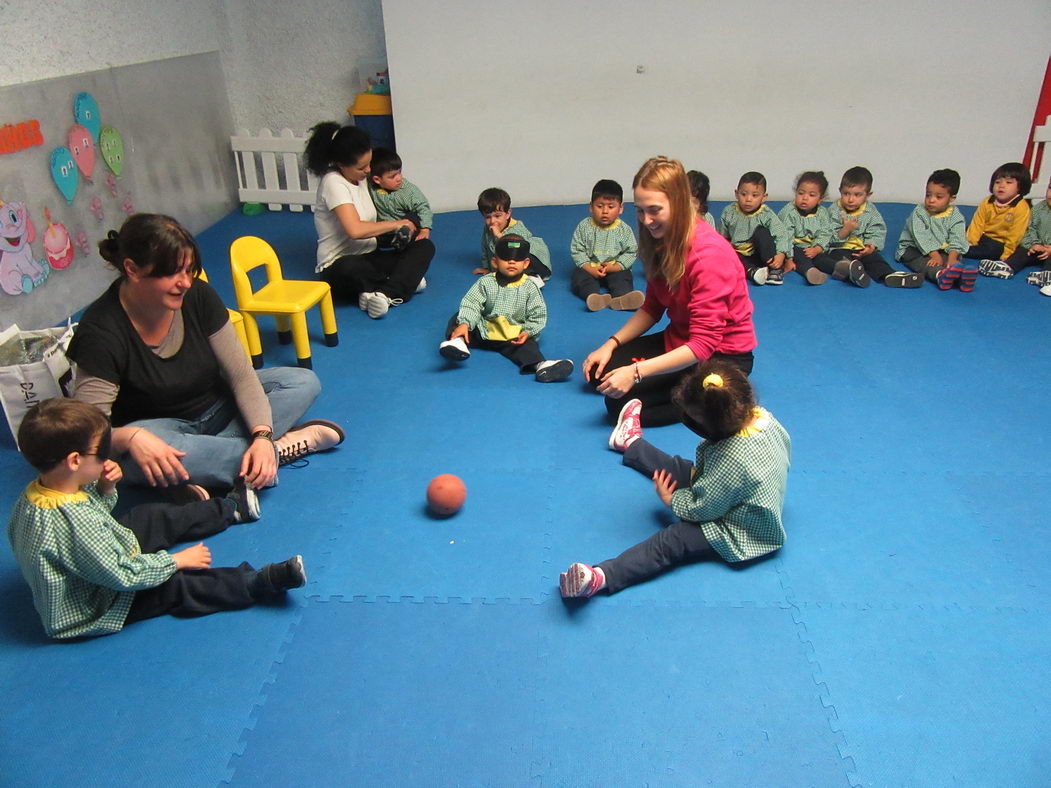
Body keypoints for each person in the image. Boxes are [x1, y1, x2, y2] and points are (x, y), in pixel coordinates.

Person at [67, 214, 344, 500]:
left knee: (301, 380)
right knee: (132, 461)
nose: (185, 282)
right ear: (132, 269)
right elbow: (89, 434)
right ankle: (276, 452)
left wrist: (261, 435)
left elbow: (240, 374)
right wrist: (130, 438)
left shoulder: (198, 296)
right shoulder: (100, 332)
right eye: (173, 272)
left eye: (189, 270)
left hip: (218, 405)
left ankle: (223, 467)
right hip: (160, 431)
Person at [7, 398, 306, 639]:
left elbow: (91, 520)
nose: (107, 456)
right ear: (74, 461)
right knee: (176, 587)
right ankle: (256, 582)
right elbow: (122, 575)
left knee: (148, 516)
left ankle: (229, 508)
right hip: (94, 603)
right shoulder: (73, 523)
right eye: (101, 450)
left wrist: (106, 488)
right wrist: (176, 561)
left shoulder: (40, 493)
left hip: (95, 561)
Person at [560, 361, 790, 598]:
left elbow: (704, 509)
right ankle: (630, 443)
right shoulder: (763, 418)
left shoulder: (733, 460)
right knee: (681, 469)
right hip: (742, 491)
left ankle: (601, 577)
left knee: (672, 540)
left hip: (742, 527)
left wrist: (672, 500)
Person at [582, 156, 757, 427]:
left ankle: (722, 395)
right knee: (599, 373)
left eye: (654, 210)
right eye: (640, 210)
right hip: (680, 337)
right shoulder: (660, 240)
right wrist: (611, 344)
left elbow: (703, 344)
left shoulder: (709, 256)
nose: (647, 220)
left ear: (678, 203)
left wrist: (636, 372)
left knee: (617, 405)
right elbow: (652, 307)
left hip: (721, 354)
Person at [304, 122, 435, 319]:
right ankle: (403, 284)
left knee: (425, 246)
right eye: (361, 167)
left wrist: (412, 222)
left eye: (369, 163)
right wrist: (396, 224)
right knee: (351, 269)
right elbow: (355, 230)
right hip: (339, 265)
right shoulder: (333, 182)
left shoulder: (362, 177)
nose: (368, 170)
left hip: (370, 255)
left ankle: (382, 295)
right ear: (341, 164)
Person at [439, 235, 573, 382]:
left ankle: (541, 366)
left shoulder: (530, 288)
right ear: (495, 262)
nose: (511, 261)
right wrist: (465, 323)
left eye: (517, 259)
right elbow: (472, 303)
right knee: (458, 317)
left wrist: (528, 331)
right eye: (505, 258)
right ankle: (458, 342)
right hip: (484, 330)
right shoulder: (485, 282)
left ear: (526, 263)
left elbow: (538, 315)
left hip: (512, 336)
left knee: (528, 347)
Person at [827, 166, 919, 288]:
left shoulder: (870, 211)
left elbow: (877, 230)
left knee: (875, 260)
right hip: (839, 248)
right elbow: (828, 237)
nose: (850, 199)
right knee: (838, 260)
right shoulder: (834, 210)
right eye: (846, 194)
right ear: (840, 191)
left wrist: (871, 246)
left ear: (868, 195)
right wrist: (845, 230)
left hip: (861, 248)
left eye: (857, 195)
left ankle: (889, 276)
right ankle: (852, 273)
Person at [569, 179, 644, 311]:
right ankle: (594, 297)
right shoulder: (584, 227)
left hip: (614, 267)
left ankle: (621, 299)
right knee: (579, 277)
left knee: (623, 277)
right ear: (591, 206)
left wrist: (615, 267)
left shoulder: (624, 230)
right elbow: (577, 250)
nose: (605, 211)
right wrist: (589, 268)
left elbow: (631, 252)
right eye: (599, 206)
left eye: (611, 207)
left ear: (620, 208)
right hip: (591, 267)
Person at [895, 169, 970, 289]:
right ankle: (939, 275)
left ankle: (961, 277)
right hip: (916, 248)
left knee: (952, 260)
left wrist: (952, 257)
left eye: (939, 197)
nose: (931, 200)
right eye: (928, 195)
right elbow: (921, 236)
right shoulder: (919, 212)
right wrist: (934, 255)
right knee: (925, 262)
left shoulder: (956, 215)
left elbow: (958, 237)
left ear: (952, 198)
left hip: (942, 249)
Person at [718, 171, 793, 285]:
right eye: (743, 194)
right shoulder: (729, 212)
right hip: (740, 254)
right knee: (728, 254)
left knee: (762, 232)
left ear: (764, 197)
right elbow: (723, 237)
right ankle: (752, 272)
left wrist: (781, 254)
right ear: (736, 193)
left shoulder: (766, 214)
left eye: (754, 195)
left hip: (758, 253)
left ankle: (774, 269)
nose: (748, 199)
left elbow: (781, 233)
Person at [969, 162, 1034, 278]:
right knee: (964, 229)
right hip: (983, 236)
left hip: (999, 243)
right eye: (997, 182)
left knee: (992, 250)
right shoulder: (987, 201)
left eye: (1008, 183)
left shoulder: (1021, 207)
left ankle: (961, 250)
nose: (1001, 186)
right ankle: (961, 245)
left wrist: (1007, 254)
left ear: (1020, 186)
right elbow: (977, 223)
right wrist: (970, 241)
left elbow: (1016, 234)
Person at [476, 187, 551, 287]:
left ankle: (533, 276)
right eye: (488, 217)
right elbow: (485, 248)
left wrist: (499, 236)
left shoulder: (517, 228)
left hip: (529, 257)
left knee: (522, 255)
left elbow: (516, 247)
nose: (492, 221)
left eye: (497, 216)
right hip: (509, 262)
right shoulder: (488, 229)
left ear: (508, 214)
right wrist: (487, 267)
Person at [777, 171, 837, 286]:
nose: (804, 198)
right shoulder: (789, 212)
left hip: (813, 247)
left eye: (811, 195)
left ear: (820, 199)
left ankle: (840, 268)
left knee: (821, 259)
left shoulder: (822, 213)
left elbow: (826, 232)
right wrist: (788, 259)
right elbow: (785, 236)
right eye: (801, 193)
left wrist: (817, 248)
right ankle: (809, 272)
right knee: (801, 259)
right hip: (795, 247)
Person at [368, 146, 433, 249]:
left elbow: (423, 207)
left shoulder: (407, 190)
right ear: (377, 179)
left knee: (413, 216)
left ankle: (403, 238)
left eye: (399, 172)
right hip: (383, 230)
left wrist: (425, 229)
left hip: (405, 226)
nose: (399, 178)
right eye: (392, 176)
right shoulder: (370, 186)